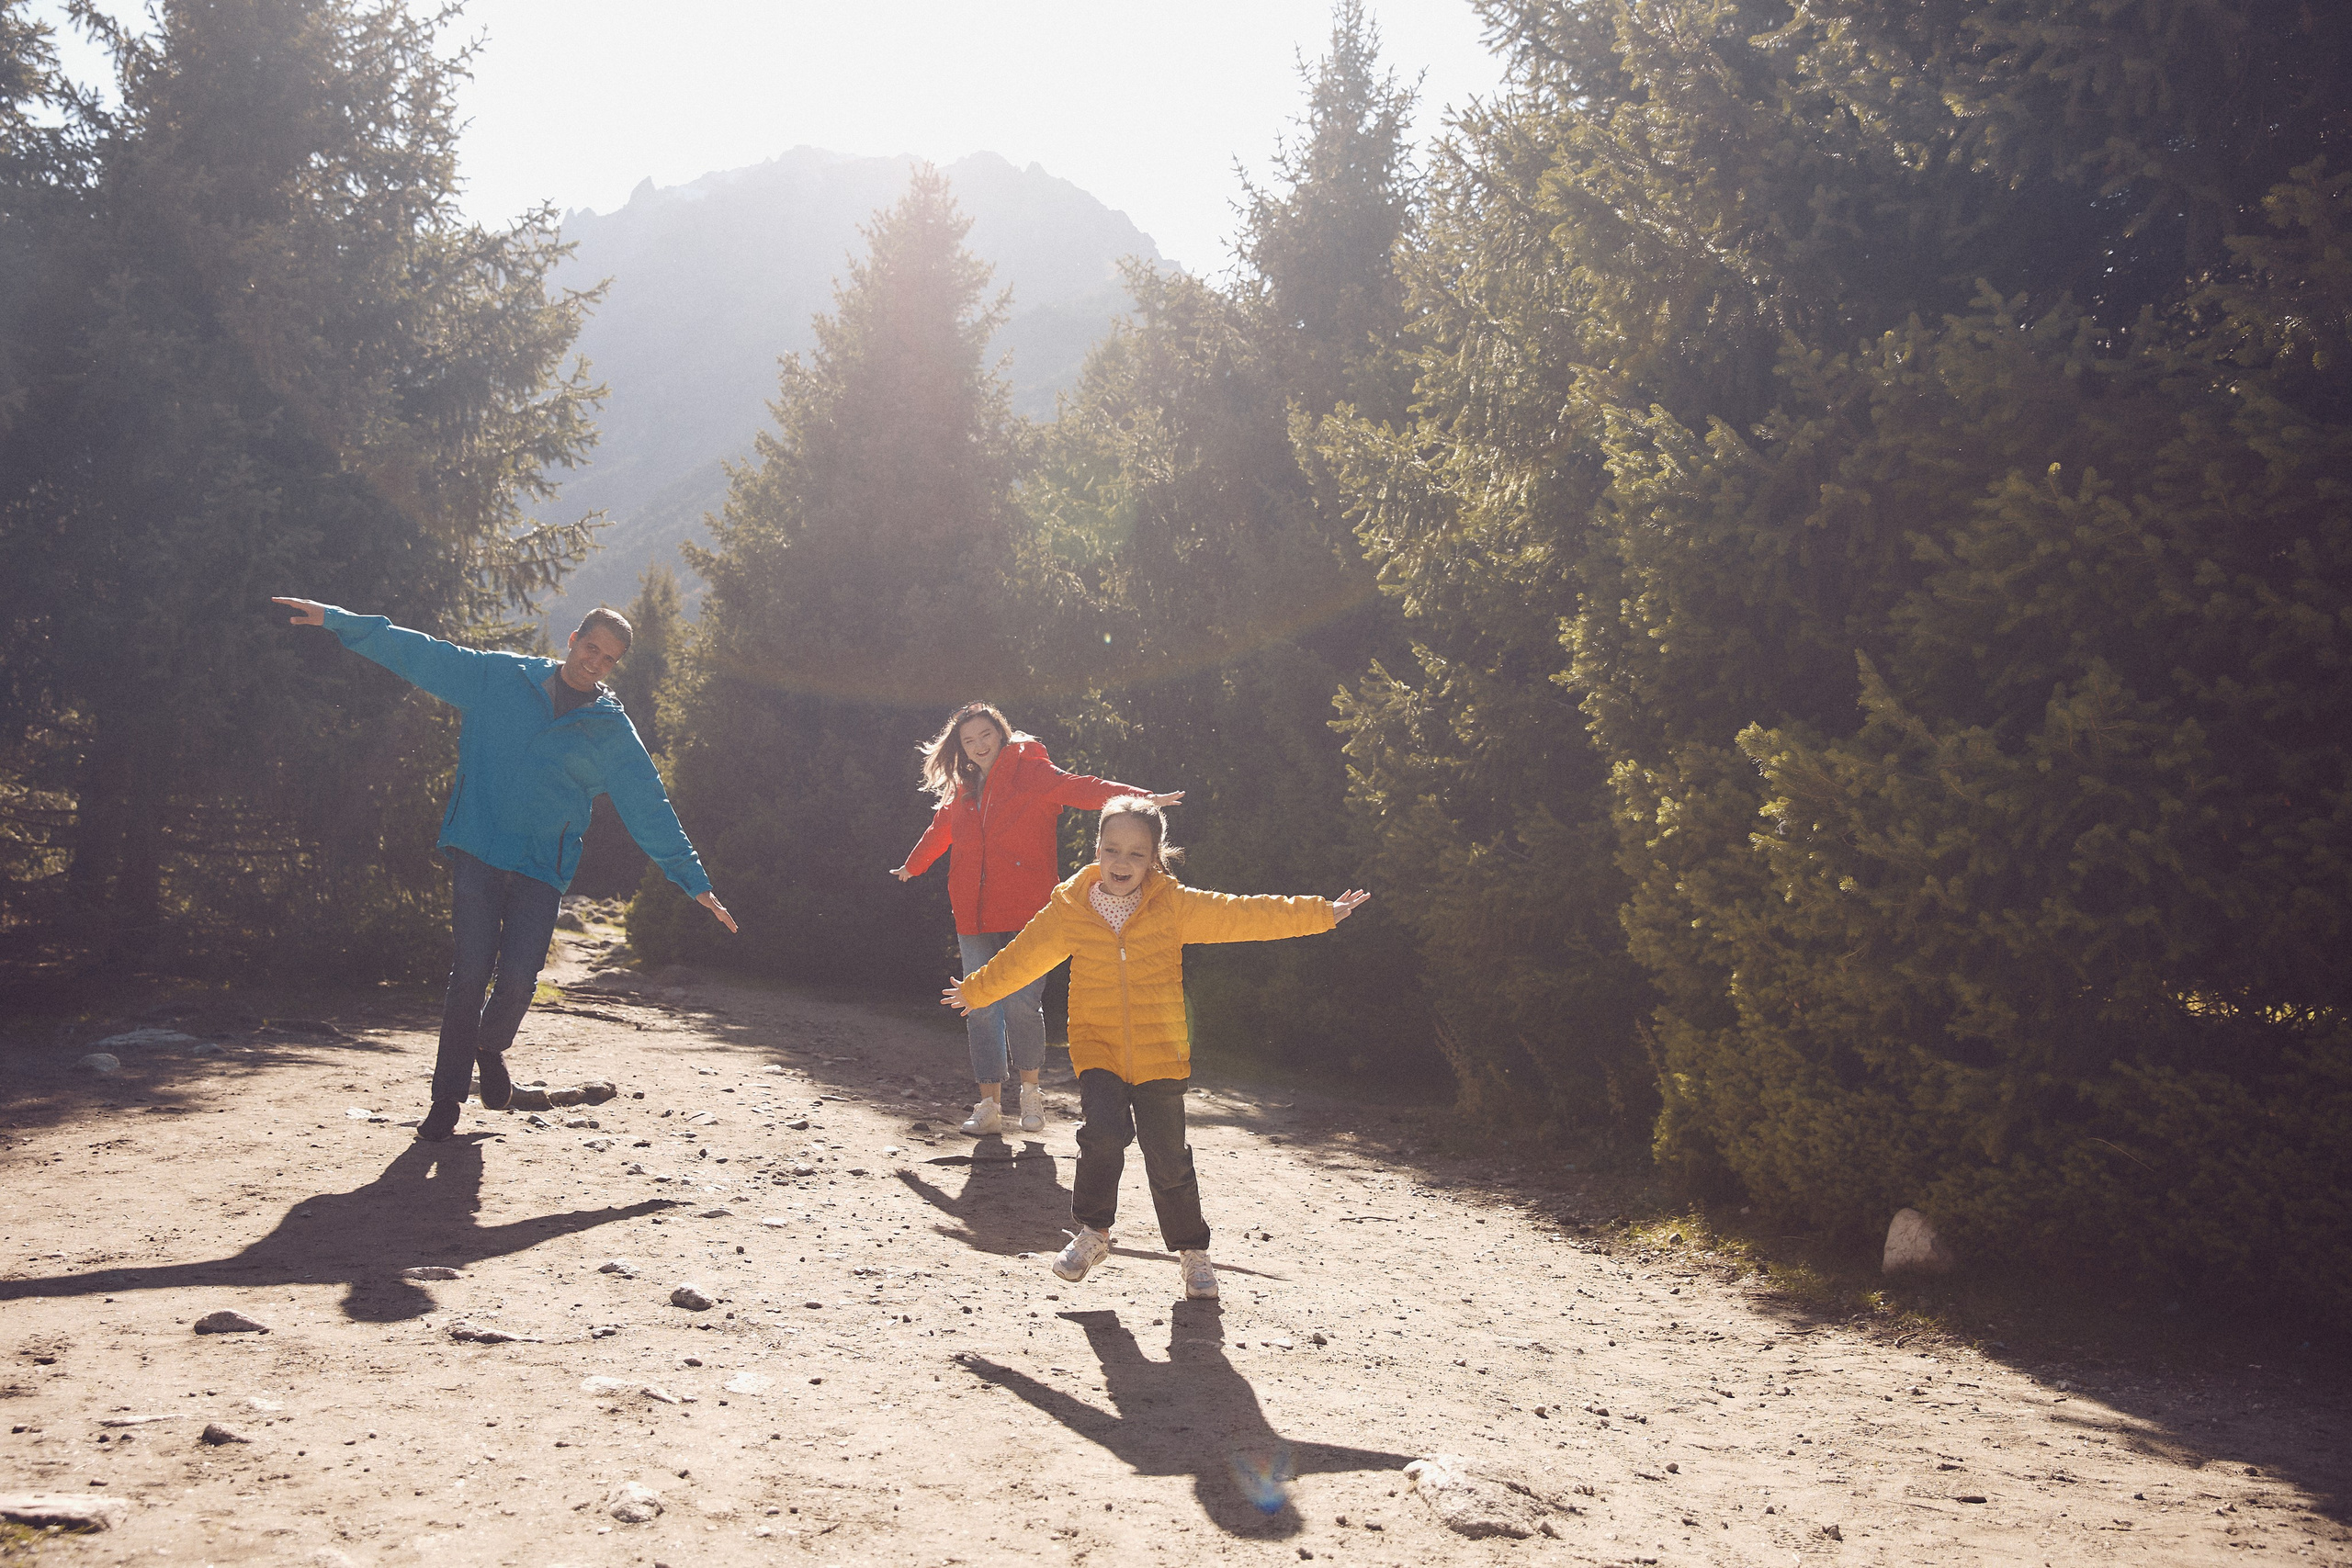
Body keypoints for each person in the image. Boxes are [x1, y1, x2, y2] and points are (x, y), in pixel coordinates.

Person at [273, 596, 736, 1141]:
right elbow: (421, 653)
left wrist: (694, 882)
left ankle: (489, 1049)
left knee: (519, 977)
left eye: (610, 659)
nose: (596, 662)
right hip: (479, 848)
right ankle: (445, 1101)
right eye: (591, 648)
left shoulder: (610, 730)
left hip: (543, 866)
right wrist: (337, 619)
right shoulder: (499, 677)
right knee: (468, 973)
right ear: (572, 640)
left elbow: (649, 805)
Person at [942, 797, 1368, 1299]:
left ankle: (1192, 1253)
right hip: (1098, 1048)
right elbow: (1024, 955)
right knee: (1100, 1139)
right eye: (1112, 850)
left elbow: (1242, 915)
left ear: (1155, 858)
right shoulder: (1070, 909)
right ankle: (1094, 1234)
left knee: (1167, 1159)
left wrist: (1321, 914)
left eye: (1137, 854)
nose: (1122, 863)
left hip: (1162, 1053)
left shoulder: (1174, 906)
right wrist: (977, 990)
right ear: (1097, 849)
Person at [890, 702, 1180, 1138]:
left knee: (1022, 1003)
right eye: (969, 741)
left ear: (1001, 733)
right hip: (973, 911)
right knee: (980, 1004)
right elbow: (941, 829)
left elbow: (1082, 788)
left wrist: (1139, 800)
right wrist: (914, 864)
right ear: (961, 748)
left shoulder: (1031, 770)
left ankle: (1030, 1092)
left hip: (1029, 912)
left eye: (985, 735)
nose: (978, 745)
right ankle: (988, 1104)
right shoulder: (962, 786)